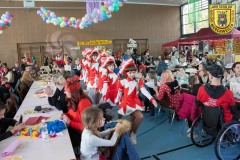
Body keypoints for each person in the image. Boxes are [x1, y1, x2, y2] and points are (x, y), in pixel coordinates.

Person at [115, 59, 157, 144]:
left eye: (134, 72)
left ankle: (129, 135)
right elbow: (119, 93)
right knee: (140, 116)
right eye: (130, 73)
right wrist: (117, 101)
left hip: (135, 102)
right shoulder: (122, 81)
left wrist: (152, 99)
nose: (132, 74)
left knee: (132, 119)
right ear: (126, 73)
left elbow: (144, 90)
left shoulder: (138, 80)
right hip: (126, 102)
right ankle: (133, 134)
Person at [60, 75, 92, 149]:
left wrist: (69, 122)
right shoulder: (74, 100)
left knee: (63, 145)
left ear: (73, 92)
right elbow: (73, 114)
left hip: (83, 135)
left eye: (66, 90)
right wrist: (65, 114)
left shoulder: (84, 103)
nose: (64, 92)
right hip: (75, 130)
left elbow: (86, 127)